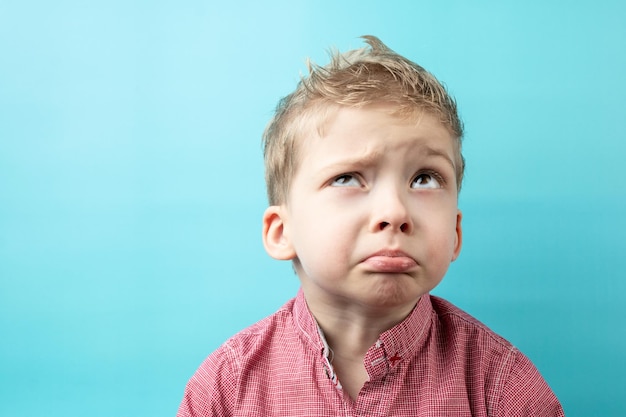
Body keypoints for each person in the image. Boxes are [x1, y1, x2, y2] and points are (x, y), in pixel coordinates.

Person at [177, 35, 565, 416]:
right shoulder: (225, 389)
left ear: (456, 234)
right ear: (282, 232)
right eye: (347, 178)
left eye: (424, 178)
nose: (395, 212)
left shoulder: (503, 388)